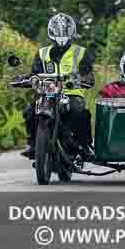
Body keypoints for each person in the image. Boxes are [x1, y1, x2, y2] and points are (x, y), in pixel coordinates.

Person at [18, 13, 96, 161]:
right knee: (29, 109)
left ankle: (85, 145)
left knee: (80, 113)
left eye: (64, 30)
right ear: (51, 32)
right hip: (47, 93)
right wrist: (24, 79)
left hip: (71, 93)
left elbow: (88, 73)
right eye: (58, 31)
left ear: (71, 31)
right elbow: (35, 72)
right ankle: (33, 143)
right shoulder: (42, 53)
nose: (61, 34)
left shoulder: (80, 52)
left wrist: (83, 79)